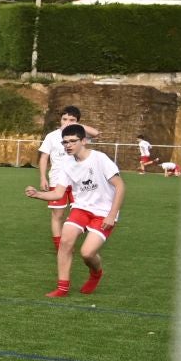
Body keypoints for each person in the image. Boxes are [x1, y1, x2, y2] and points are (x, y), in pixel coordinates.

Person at [28, 124, 123, 297]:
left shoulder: (99, 158)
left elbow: (120, 186)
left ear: (84, 141)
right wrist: (37, 194)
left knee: (87, 253)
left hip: (104, 212)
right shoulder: (66, 163)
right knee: (65, 242)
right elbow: (58, 193)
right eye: (65, 142)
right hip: (81, 208)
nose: (68, 145)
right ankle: (62, 288)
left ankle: (96, 273)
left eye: (72, 141)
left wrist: (111, 215)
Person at [36, 106, 95, 250]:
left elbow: (96, 133)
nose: (67, 122)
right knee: (58, 214)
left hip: (78, 181)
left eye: (72, 119)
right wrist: (43, 177)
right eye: (64, 119)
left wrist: (76, 126)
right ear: (60, 119)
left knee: (83, 212)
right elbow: (44, 158)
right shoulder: (52, 136)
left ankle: (69, 236)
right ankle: (59, 246)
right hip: (57, 180)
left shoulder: (80, 135)